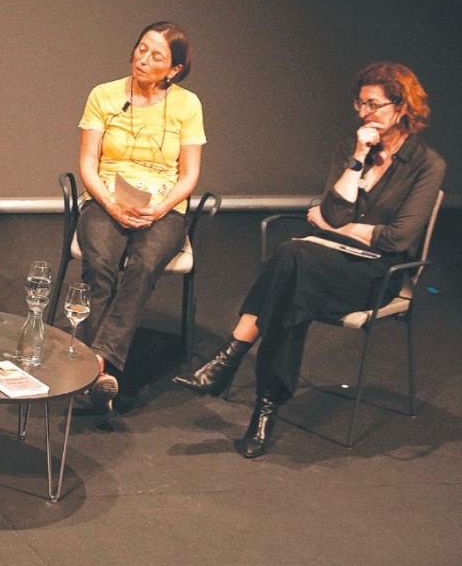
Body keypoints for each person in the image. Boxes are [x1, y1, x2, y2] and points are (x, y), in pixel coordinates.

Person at [173, 62, 445, 458]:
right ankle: (263, 407)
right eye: (360, 103)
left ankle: (231, 360)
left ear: (401, 107)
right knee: (293, 277)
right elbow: (334, 212)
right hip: (326, 261)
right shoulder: (351, 149)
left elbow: (397, 237)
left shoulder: (426, 164)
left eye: (374, 104)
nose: (364, 113)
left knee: (292, 258)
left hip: (376, 274)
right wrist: (358, 158)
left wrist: (339, 229)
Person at [76, 21, 205, 410]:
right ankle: (100, 373)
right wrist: (112, 205)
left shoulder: (187, 104)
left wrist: (160, 208)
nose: (144, 59)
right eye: (142, 48)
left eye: (157, 55)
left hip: (162, 206)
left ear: (174, 69)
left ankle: (96, 364)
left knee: (144, 264)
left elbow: (190, 175)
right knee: (100, 264)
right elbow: (87, 163)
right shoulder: (104, 95)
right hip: (106, 199)